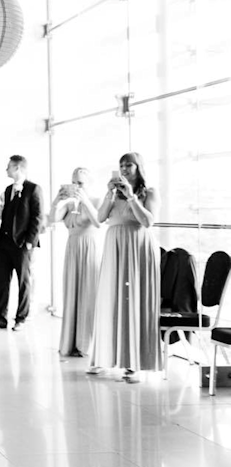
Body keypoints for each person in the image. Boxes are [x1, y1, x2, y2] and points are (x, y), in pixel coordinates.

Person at [88, 153, 161, 380]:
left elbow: (148, 221)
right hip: (114, 246)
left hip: (138, 246)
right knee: (111, 299)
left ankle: (135, 363)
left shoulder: (149, 192)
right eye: (121, 165)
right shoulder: (113, 194)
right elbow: (99, 218)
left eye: (128, 164)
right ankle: (105, 356)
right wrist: (110, 194)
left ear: (138, 167)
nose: (124, 169)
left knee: (135, 301)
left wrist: (131, 197)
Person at [0, 155, 43, 331]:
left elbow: (37, 217)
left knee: (24, 281)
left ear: (17, 168)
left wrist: (30, 242)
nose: (6, 170)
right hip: (5, 242)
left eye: (8, 167)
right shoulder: (8, 190)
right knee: (3, 281)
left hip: (23, 244)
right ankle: (0, 317)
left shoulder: (34, 189)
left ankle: (21, 318)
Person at [52, 167, 100, 356]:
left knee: (88, 293)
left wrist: (85, 200)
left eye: (80, 183)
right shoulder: (70, 204)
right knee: (72, 291)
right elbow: (51, 218)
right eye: (74, 182)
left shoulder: (96, 200)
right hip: (72, 249)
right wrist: (58, 199)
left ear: (89, 184)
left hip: (89, 248)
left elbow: (99, 221)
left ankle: (86, 343)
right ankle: (70, 341)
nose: (77, 186)